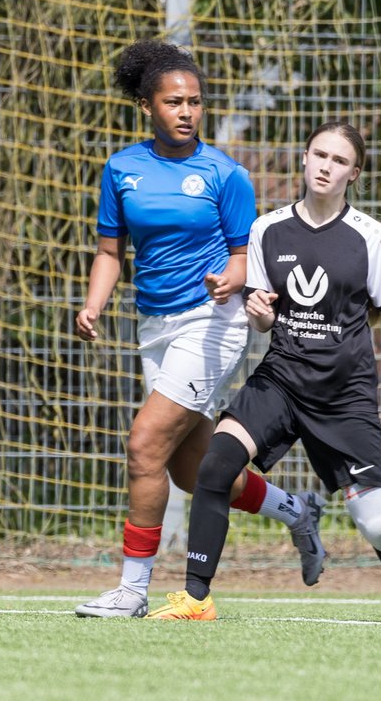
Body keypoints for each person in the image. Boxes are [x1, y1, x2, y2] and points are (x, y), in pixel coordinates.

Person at [148, 120, 381, 625]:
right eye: (320, 156)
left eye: (339, 161)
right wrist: (260, 313)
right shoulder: (268, 229)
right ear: (304, 160)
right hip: (281, 380)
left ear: (354, 174)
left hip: (343, 397)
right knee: (215, 467)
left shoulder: (369, 237)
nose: (326, 167)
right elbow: (261, 311)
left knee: (380, 526)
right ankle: (197, 599)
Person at [73, 40, 327, 618]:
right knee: (192, 471)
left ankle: (132, 591)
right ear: (146, 107)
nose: (186, 111)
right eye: (173, 102)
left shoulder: (225, 174)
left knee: (144, 446)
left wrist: (230, 280)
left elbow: (246, 255)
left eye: (195, 102)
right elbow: (110, 252)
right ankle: (297, 511)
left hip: (212, 324)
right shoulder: (122, 169)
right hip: (155, 327)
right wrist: (93, 305)